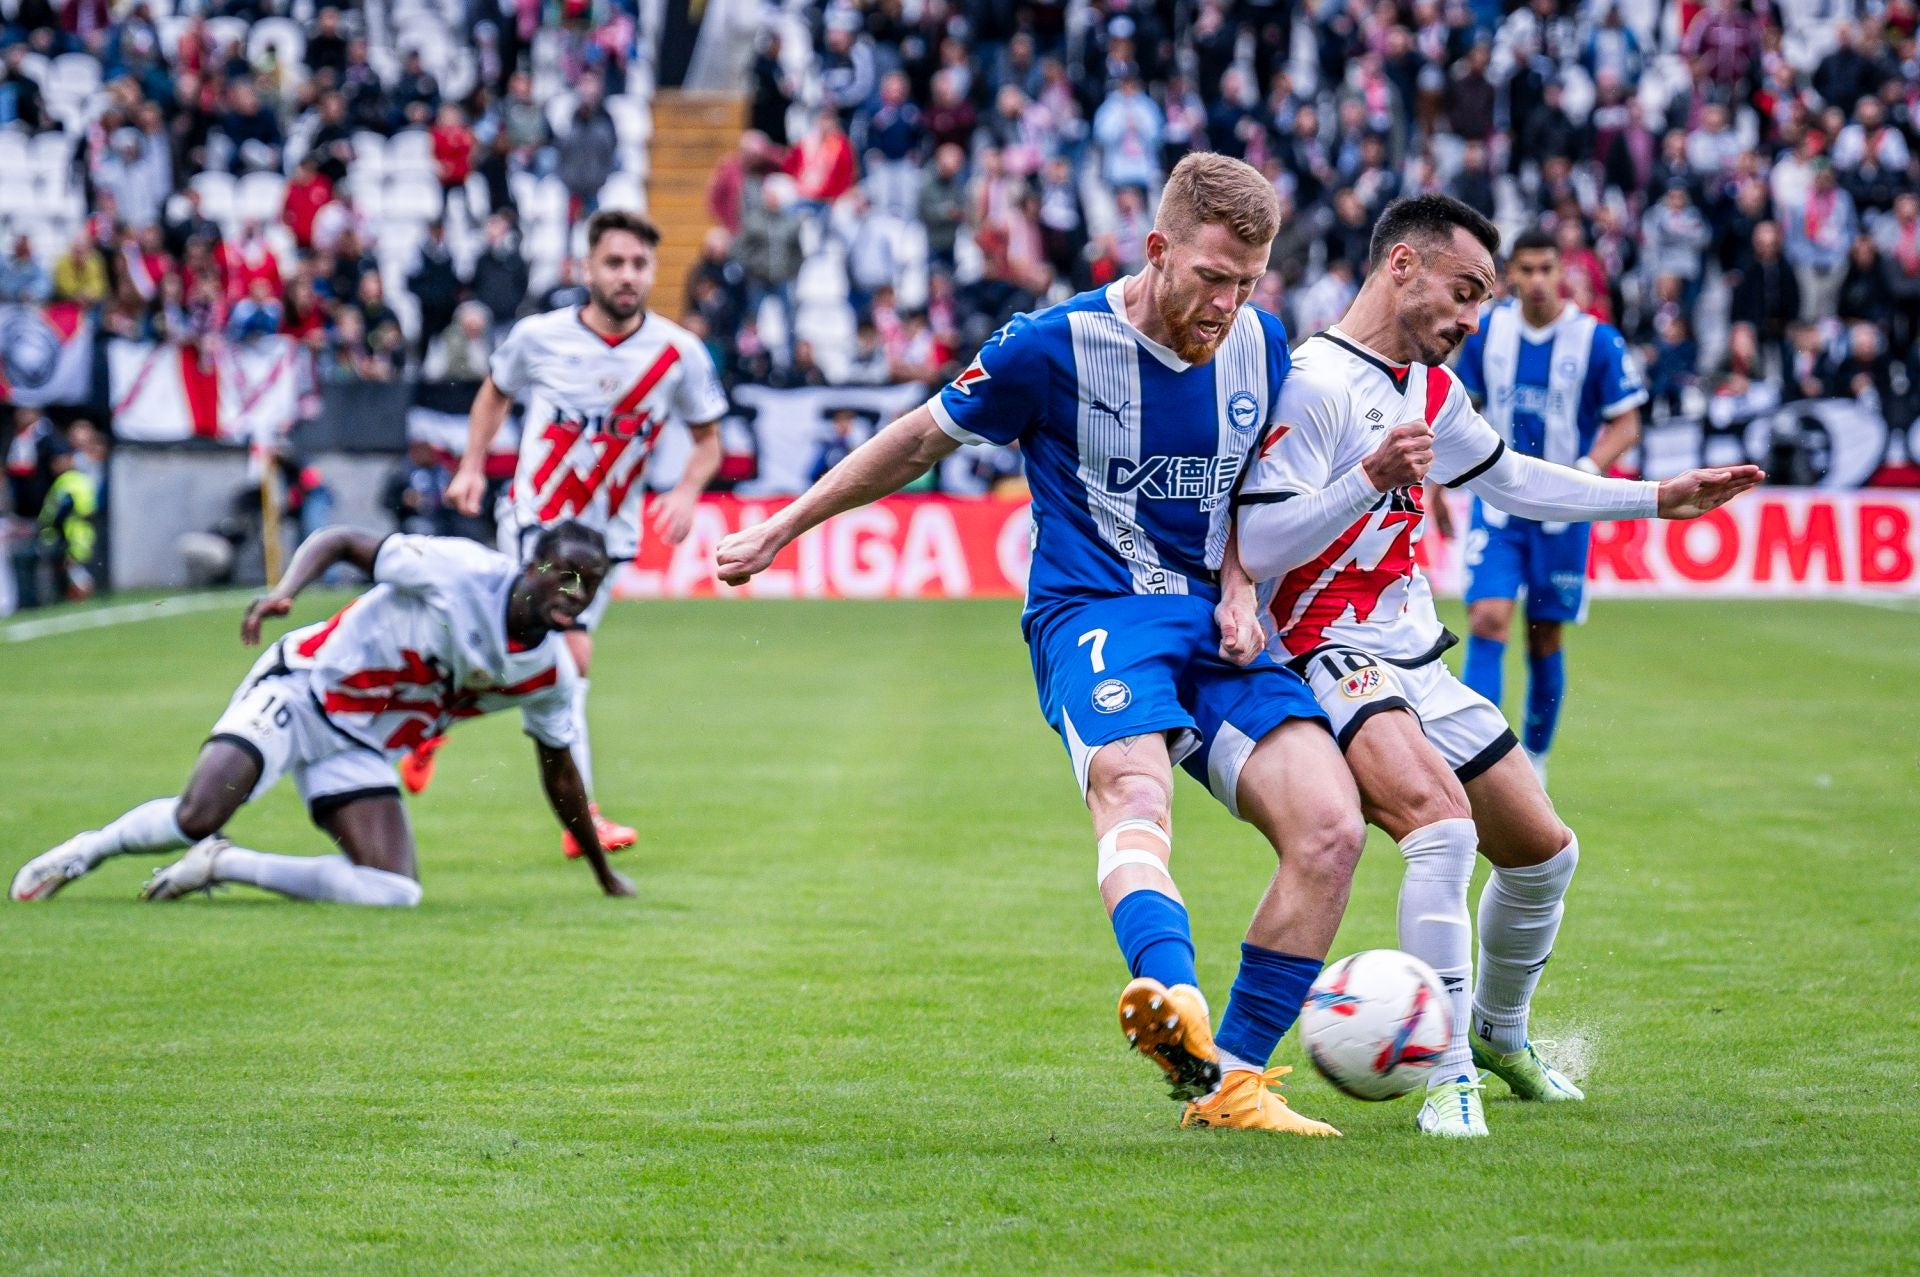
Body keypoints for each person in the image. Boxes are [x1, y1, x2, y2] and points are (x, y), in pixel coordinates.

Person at [717, 153, 1371, 1137]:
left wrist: (1241, 583)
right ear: (1157, 251)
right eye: (1211, 277)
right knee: (1133, 785)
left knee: (1330, 827)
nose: (1229, 304)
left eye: (1249, 282)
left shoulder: (1262, 345)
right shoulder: (1050, 347)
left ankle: (1231, 1084)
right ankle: (1170, 993)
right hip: (1098, 613)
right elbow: (917, 439)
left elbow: (1255, 496)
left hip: (1218, 627)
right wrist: (781, 526)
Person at [1231, 194, 1762, 1135]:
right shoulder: (1315, 381)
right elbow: (1259, 538)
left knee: (1546, 854)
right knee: (1441, 830)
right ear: (1402, 265)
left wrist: (1658, 498)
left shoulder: (1432, 390)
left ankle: (1496, 1037)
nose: (1477, 318)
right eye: (1467, 291)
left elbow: (1512, 476)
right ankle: (1443, 1079)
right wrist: (1369, 479)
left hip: (1414, 658)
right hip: (1327, 649)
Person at [12, 523, 636, 905]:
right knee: (196, 815)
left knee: (395, 892)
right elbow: (343, 540)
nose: (579, 594)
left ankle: (225, 866)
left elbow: (561, 774)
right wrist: (286, 591)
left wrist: (602, 873)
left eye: (593, 582)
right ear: (532, 567)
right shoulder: (458, 571)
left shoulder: (550, 672)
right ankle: (87, 852)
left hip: (359, 747)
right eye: (567, 576)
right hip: (304, 688)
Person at [438, 211, 728, 858]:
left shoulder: (678, 353)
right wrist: (472, 467)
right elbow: (493, 394)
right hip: (539, 524)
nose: (628, 276)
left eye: (639, 265)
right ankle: (584, 818)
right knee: (569, 657)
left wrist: (684, 491)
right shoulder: (539, 337)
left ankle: (437, 715)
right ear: (586, 268)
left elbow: (709, 442)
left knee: (522, 657)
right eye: (615, 262)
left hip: (610, 539)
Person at [1449, 227, 1649, 784]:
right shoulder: (1488, 332)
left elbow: (1626, 422)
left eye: (1547, 269)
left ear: (1562, 272)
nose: (1537, 281)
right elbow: (1459, 409)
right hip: (1499, 504)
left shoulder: (1596, 341)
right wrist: (1439, 487)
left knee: (1545, 635)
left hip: (1563, 513)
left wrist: (1589, 469)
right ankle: (1477, 762)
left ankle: (1533, 762)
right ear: (1509, 274)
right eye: (1526, 270)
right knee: (1487, 618)